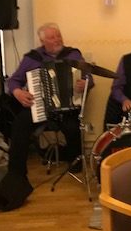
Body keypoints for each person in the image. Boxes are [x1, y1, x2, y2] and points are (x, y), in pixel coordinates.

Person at [7, 23, 94, 178]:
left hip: (67, 108)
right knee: (20, 125)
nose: (57, 39)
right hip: (39, 106)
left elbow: (89, 78)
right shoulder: (32, 58)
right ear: (43, 42)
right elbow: (14, 80)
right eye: (52, 37)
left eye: (58, 35)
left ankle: (75, 164)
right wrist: (18, 92)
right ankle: (16, 172)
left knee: (73, 127)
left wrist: (85, 83)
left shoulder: (73, 55)